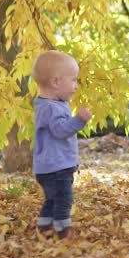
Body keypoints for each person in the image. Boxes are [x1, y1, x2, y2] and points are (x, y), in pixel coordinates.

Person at [31, 50, 92, 239]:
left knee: (52, 199)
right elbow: (60, 130)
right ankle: (62, 231)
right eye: (73, 80)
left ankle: (45, 226)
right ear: (56, 82)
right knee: (64, 200)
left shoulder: (47, 104)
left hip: (48, 167)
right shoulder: (51, 108)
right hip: (56, 168)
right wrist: (79, 120)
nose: (76, 86)